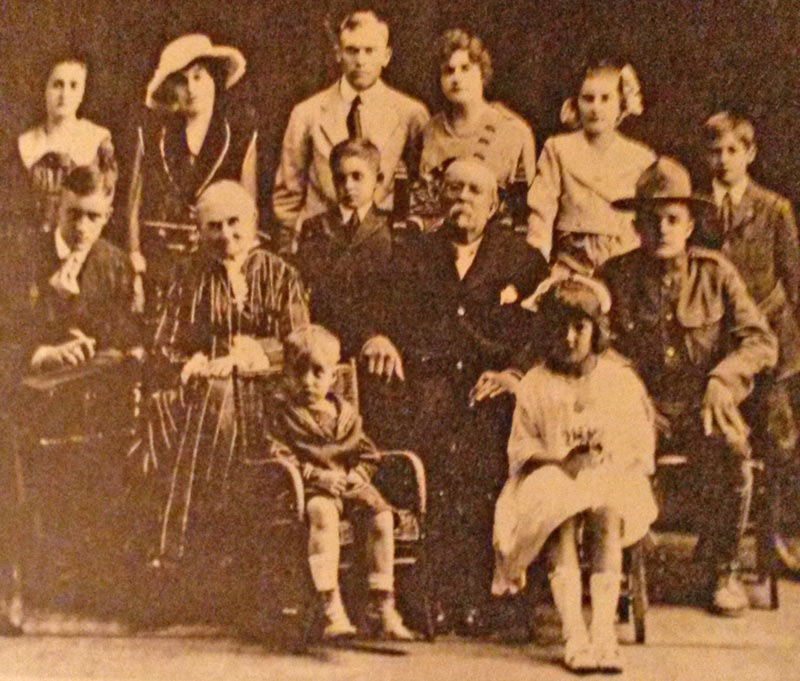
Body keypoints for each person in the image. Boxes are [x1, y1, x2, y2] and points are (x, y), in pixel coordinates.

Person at [602, 157, 778, 616]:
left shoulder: (716, 273)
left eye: (672, 219)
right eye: (651, 219)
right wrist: (629, 391)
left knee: (733, 447)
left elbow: (760, 341)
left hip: (703, 405)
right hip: (641, 409)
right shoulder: (615, 276)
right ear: (636, 226)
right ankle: (620, 571)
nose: (662, 229)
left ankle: (723, 571)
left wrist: (724, 378)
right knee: (611, 454)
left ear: (690, 225)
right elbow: (598, 346)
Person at [389, 157, 548, 632]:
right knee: (433, 469)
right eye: (453, 189)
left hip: (493, 387)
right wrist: (380, 338)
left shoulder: (523, 260)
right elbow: (386, 315)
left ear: (494, 204)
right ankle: (433, 595)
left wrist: (514, 373)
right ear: (439, 198)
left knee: (486, 468)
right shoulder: (413, 255)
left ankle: (480, 594)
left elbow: (542, 332)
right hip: (432, 383)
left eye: (474, 191)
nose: (462, 199)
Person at [137, 180, 308, 565]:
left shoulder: (282, 275)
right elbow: (164, 345)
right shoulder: (187, 275)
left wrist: (252, 355)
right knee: (191, 397)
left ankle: (181, 545)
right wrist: (192, 361)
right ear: (199, 231)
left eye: (234, 223)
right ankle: (201, 544)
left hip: (268, 396)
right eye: (213, 226)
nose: (225, 235)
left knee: (221, 392)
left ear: (254, 221)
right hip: (197, 391)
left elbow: (302, 348)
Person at [492, 275, 657, 673]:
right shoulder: (535, 384)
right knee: (559, 509)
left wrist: (603, 460)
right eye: (558, 328)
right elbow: (521, 450)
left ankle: (602, 633)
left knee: (606, 508)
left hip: (609, 476)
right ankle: (574, 634)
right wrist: (560, 461)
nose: (568, 338)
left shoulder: (618, 381)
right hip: (548, 477)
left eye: (579, 327)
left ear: (596, 329)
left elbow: (638, 447)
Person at [267, 324, 414, 640]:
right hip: (309, 487)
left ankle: (383, 604)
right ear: (286, 374)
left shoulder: (345, 414)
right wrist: (318, 476)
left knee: (382, 516)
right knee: (322, 513)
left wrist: (355, 476)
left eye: (318, 372)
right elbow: (279, 453)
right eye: (299, 372)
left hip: (348, 484)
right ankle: (330, 606)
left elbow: (368, 454)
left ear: (333, 376)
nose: (308, 381)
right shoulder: (285, 413)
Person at [272, 10, 429, 253]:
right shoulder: (307, 113)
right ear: (338, 53)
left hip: (383, 245)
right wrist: (293, 246)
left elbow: (422, 188)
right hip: (321, 243)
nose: (360, 61)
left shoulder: (411, 114)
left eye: (370, 51)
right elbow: (288, 193)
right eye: (352, 50)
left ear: (386, 56)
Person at [127, 34, 257, 318]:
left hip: (217, 265)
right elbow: (134, 208)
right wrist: (136, 263)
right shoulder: (152, 136)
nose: (191, 89)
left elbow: (248, 212)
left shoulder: (239, 136)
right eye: (181, 81)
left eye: (198, 77)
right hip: (161, 265)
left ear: (214, 79)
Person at [702, 112, 800, 456]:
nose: (724, 159)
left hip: (772, 335)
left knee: (777, 434)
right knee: (727, 436)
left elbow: (794, 280)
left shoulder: (774, 208)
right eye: (716, 151)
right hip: (721, 338)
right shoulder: (697, 208)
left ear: (750, 153)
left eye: (732, 150)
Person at [526, 59, 655, 272]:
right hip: (571, 261)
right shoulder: (558, 148)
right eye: (588, 99)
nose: (596, 108)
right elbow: (541, 212)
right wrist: (537, 263)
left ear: (621, 104)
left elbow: (650, 220)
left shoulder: (641, 157)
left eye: (605, 99)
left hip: (625, 261)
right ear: (576, 103)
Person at [295, 138, 403, 371]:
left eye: (357, 177)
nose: (348, 186)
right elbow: (313, 291)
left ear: (378, 179)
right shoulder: (315, 228)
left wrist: (379, 337)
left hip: (378, 347)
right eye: (340, 178)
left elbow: (398, 295)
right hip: (327, 347)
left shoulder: (393, 229)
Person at [413, 29, 536, 228]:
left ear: (482, 73)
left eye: (466, 68)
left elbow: (527, 209)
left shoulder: (514, 131)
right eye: (448, 71)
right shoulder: (430, 130)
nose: (456, 78)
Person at [6, 55, 116, 242]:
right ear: (44, 88)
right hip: (33, 244)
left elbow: (105, 205)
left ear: (82, 92)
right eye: (57, 85)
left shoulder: (97, 141)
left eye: (73, 86)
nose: (64, 94)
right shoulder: (26, 143)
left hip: (82, 243)